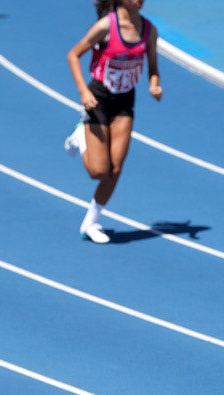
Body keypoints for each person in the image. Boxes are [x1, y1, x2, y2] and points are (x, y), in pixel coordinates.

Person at [65, 0, 162, 243]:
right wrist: (83, 92)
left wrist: (154, 85)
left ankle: (91, 222)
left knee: (115, 168)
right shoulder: (105, 27)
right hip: (98, 99)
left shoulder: (149, 31)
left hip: (125, 101)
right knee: (98, 171)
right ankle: (81, 134)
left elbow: (153, 68)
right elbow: (73, 55)